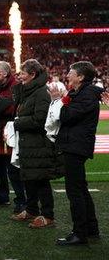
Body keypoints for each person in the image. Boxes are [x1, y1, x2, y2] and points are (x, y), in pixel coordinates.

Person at [11, 59, 63, 229]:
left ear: (33, 74)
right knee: (29, 178)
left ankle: (48, 215)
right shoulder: (28, 91)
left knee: (40, 179)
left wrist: (17, 123)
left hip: (39, 143)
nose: (19, 76)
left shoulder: (41, 92)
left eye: (23, 73)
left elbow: (40, 120)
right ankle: (31, 209)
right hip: (28, 143)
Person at [55, 61, 103, 246]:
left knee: (75, 191)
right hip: (76, 144)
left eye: (71, 72)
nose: (67, 75)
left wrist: (63, 101)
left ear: (81, 77)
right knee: (81, 188)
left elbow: (66, 116)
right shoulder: (85, 93)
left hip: (75, 145)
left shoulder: (86, 95)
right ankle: (91, 228)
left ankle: (79, 233)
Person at [0, 61, 26, 214]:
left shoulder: (15, 86)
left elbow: (14, 107)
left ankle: (22, 200)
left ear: (4, 73)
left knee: (13, 168)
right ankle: (2, 195)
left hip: (10, 132)